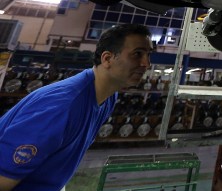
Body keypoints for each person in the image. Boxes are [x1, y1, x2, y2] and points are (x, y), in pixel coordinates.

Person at [0, 24, 152, 191]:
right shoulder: (61, 107)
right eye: (137, 54)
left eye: (148, 54)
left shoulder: (107, 97)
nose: (146, 63)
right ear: (107, 59)